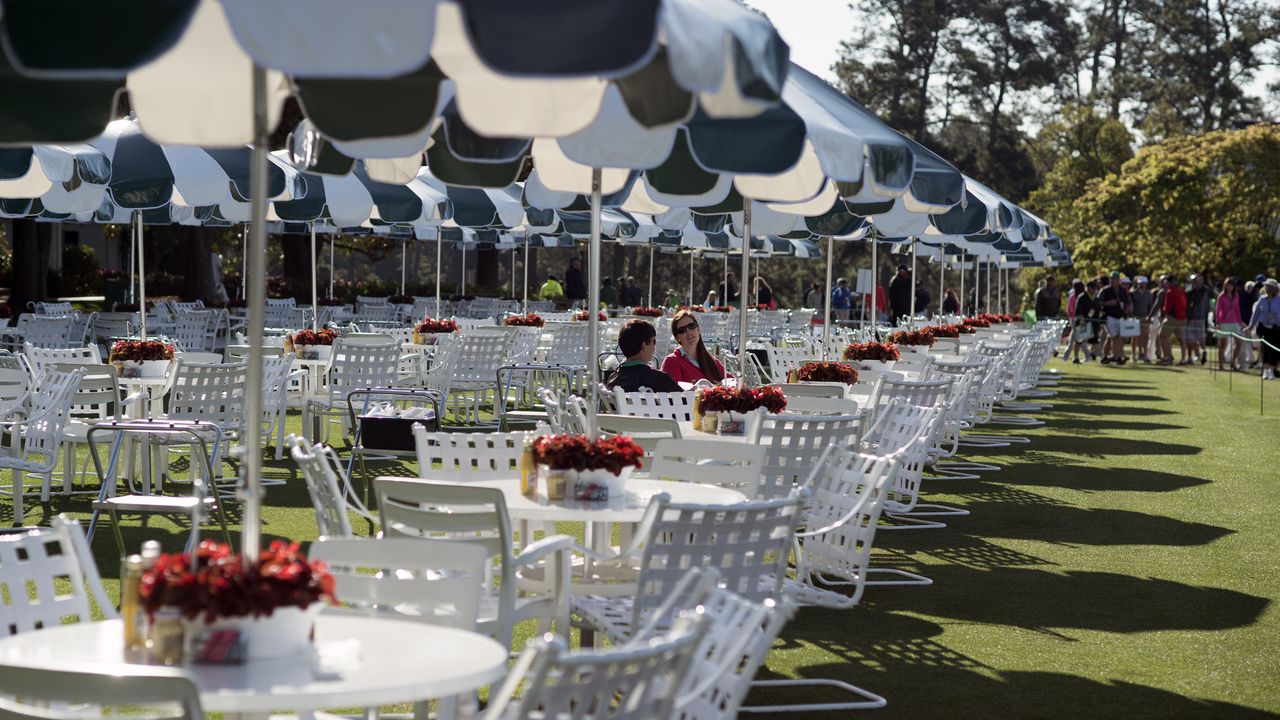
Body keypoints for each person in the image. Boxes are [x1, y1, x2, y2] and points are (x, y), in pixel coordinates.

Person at [606, 320, 682, 392]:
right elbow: (687, 401)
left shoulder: (613, 379)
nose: (654, 347)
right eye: (653, 342)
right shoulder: (659, 380)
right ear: (644, 345)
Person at [661, 310, 728, 384]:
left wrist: (722, 385)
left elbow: (732, 382)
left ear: (698, 329)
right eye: (682, 330)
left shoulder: (711, 360)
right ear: (677, 337)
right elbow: (672, 393)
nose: (688, 332)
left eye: (691, 326)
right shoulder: (671, 362)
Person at [1246, 278, 1280, 380]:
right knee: (1265, 349)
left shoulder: (1278, 300)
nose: (1267, 288)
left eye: (1270, 287)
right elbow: (1256, 314)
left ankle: (1271, 370)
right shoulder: (1262, 299)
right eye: (1267, 286)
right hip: (1263, 327)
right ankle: (1266, 370)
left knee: (1273, 349)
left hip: (1275, 328)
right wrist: (1251, 325)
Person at [1097, 271, 1131, 364]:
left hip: (1120, 316)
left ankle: (1105, 355)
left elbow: (1128, 302)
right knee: (1114, 337)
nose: (1113, 281)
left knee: (1116, 337)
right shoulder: (1105, 290)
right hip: (1109, 316)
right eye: (1112, 279)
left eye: (1115, 279)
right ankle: (1118, 357)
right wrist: (1108, 303)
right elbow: (1098, 303)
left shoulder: (1123, 291)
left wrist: (1128, 308)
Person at [1158, 275, 1189, 366]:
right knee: (1182, 339)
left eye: (1167, 282)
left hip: (1173, 318)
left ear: (1170, 282)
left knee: (1162, 335)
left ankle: (1167, 357)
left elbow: (1167, 307)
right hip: (1183, 317)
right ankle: (1183, 360)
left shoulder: (1170, 292)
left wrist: (1163, 315)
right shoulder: (1182, 291)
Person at [1214, 277, 1243, 371]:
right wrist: (1218, 322)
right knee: (1223, 344)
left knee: (1239, 343)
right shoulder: (1221, 296)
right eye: (1228, 285)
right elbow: (1218, 310)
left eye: (1231, 285)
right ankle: (1221, 365)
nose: (1229, 287)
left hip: (1234, 322)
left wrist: (1240, 322)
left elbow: (1237, 309)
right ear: (1225, 286)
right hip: (1224, 322)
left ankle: (1233, 362)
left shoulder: (1236, 296)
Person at [1186, 273, 1210, 364]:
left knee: (1201, 338)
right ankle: (1191, 356)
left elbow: (1206, 306)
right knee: (1190, 339)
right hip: (1191, 318)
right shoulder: (1189, 291)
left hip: (1201, 318)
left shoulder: (1205, 291)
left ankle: (1203, 352)